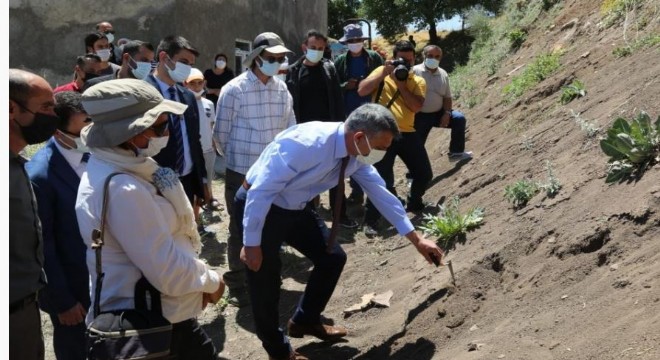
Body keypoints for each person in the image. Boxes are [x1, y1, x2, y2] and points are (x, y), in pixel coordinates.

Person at [235, 103, 444, 360]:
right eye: (380, 148)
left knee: (332, 257)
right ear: (359, 137)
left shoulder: (355, 155)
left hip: (295, 207)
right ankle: (278, 351)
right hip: (261, 206)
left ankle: (305, 320)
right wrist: (252, 243)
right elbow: (261, 191)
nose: (382, 154)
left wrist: (417, 239)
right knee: (264, 278)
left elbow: (381, 193)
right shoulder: (306, 144)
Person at [76, 79, 225, 359]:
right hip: (148, 319)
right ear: (129, 133)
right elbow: (166, 270)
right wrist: (212, 282)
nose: (166, 133)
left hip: (162, 310)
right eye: (159, 127)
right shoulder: (125, 189)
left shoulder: (126, 167)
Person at [213, 31, 296, 307]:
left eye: (280, 58)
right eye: (272, 58)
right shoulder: (234, 89)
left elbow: (289, 129)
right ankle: (237, 283)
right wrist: (237, 160)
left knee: (271, 224)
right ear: (257, 58)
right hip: (242, 171)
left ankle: (267, 275)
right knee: (240, 228)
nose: (277, 62)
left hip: (273, 172)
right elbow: (220, 134)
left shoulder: (281, 89)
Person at [26, 91, 91, 360]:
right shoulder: (41, 175)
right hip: (71, 288)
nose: (91, 132)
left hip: (103, 278)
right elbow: (42, 245)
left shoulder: (98, 156)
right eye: (84, 126)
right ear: (58, 131)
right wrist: (62, 301)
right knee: (75, 348)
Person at [9, 68, 60, 360]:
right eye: (45, 107)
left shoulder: (17, 163)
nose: (53, 115)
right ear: (11, 109)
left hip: (26, 309)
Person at [358, 40, 432, 236]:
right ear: (393, 57)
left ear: (414, 59)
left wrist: (401, 84)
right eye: (402, 60)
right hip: (380, 134)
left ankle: (414, 201)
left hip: (407, 133)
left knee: (424, 173)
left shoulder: (418, 81)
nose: (405, 64)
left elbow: (416, 107)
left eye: (409, 60)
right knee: (380, 179)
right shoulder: (382, 72)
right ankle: (371, 220)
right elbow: (362, 90)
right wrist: (383, 73)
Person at [285, 29, 358, 228]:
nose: (317, 51)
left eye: (320, 48)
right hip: (304, 134)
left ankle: (339, 215)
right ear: (304, 47)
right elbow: (290, 103)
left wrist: (342, 127)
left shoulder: (329, 68)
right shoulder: (293, 71)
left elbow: (337, 98)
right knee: (306, 177)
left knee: (336, 174)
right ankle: (308, 218)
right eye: (313, 47)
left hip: (330, 131)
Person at [145, 35, 209, 208]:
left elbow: (195, 139)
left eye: (190, 64)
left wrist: (202, 179)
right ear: (164, 58)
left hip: (187, 181)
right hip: (155, 184)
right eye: (183, 61)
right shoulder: (143, 93)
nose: (188, 68)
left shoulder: (187, 95)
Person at [333, 24, 384, 204]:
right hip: (349, 114)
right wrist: (346, 86)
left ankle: (373, 190)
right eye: (351, 41)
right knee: (353, 151)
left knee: (371, 150)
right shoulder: (340, 61)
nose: (355, 43)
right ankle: (356, 191)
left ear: (363, 41)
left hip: (371, 112)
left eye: (357, 40)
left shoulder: (373, 58)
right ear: (346, 42)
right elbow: (333, 85)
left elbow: (384, 80)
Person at [413, 45, 472, 161]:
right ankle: (412, 175)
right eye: (430, 56)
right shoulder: (414, 71)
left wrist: (447, 113)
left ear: (441, 58)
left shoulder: (443, 74)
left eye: (437, 56)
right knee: (416, 146)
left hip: (438, 113)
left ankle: (456, 153)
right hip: (419, 116)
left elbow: (447, 97)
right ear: (423, 56)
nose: (433, 59)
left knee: (459, 119)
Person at [184, 68, 221, 224]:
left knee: (208, 180)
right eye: (193, 83)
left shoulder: (208, 104)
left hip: (208, 149)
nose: (197, 86)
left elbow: (212, 125)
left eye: (200, 83)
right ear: (186, 84)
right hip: (193, 151)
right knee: (194, 183)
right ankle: (193, 216)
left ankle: (208, 201)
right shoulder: (183, 103)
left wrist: (215, 146)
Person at [82, 40, 154, 92]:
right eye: (144, 60)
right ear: (127, 58)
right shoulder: (95, 86)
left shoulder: (149, 90)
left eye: (150, 62)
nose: (148, 65)